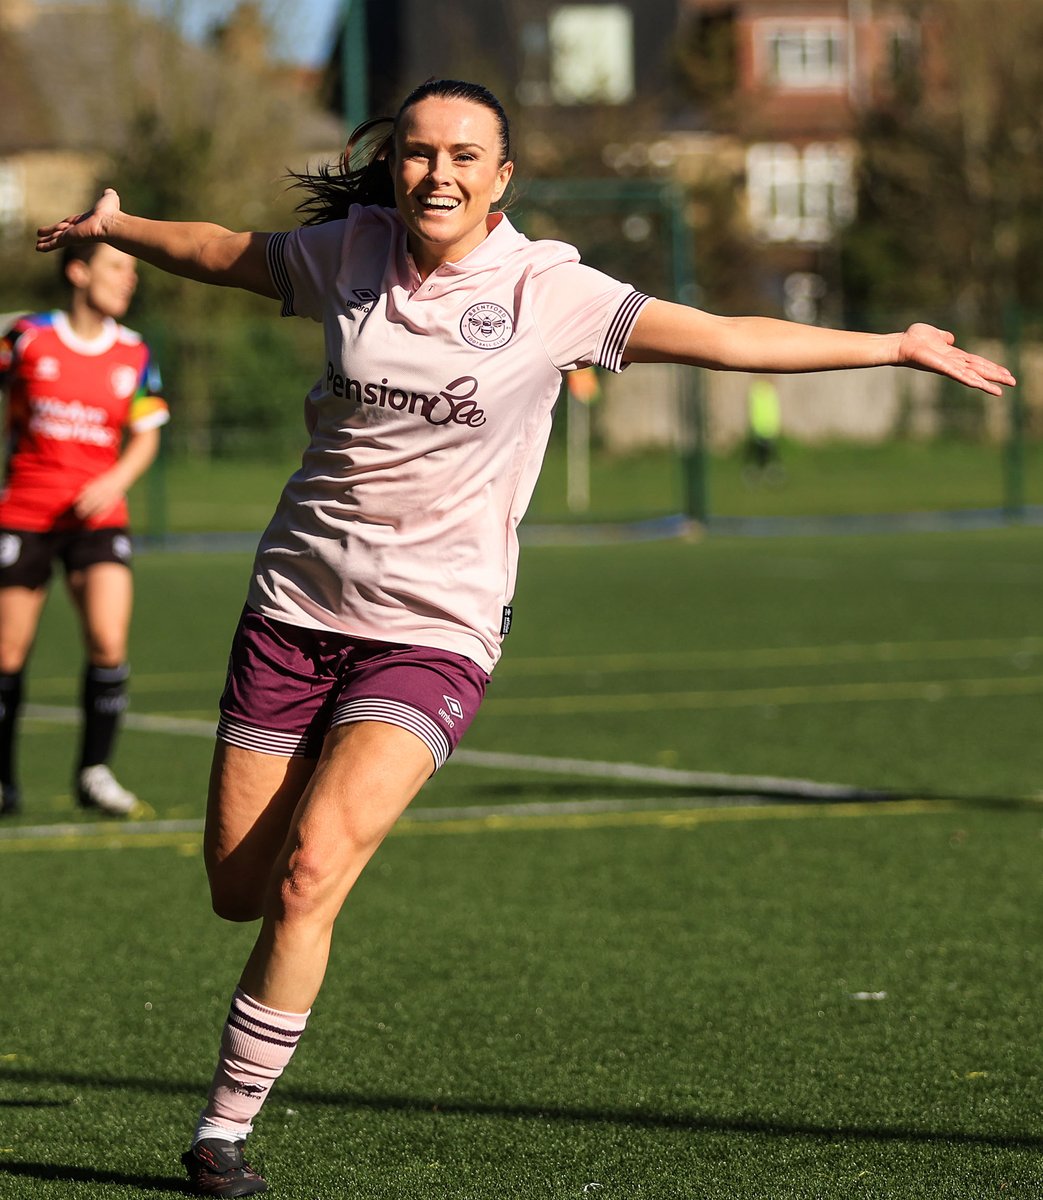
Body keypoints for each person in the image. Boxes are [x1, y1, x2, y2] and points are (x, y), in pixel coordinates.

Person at [35, 78, 1014, 1197]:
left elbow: (728, 335)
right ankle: (252, 1026)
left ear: (503, 176)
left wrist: (888, 346)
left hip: (434, 629)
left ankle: (221, 1135)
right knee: (236, 887)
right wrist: (115, 228)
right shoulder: (344, 254)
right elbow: (216, 249)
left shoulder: (549, 291)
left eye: (463, 155)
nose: (436, 173)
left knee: (312, 874)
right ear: (393, 165)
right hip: (293, 612)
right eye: (415, 153)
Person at [0, 244, 168, 818]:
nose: (129, 279)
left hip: (97, 520)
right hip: (23, 512)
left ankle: (94, 773)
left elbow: (146, 433)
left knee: (108, 638)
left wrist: (115, 479)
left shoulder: (135, 351)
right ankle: (5, 782)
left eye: (132, 271)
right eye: (117, 266)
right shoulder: (24, 337)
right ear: (78, 271)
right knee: (8, 650)